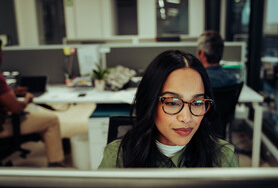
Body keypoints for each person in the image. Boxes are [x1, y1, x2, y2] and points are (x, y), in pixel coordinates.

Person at [99, 50, 238, 168]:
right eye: (172, 103)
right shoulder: (118, 156)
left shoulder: (223, 158)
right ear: (150, 103)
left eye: (197, 103)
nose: (187, 118)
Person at [0, 34, 65, 167]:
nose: (2, 56)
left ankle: (55, 145)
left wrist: (11, 93)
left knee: (39, 119)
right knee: (51, 120)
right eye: (1, 53)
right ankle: (56, 165)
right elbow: (16, 108)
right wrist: (27, 99)